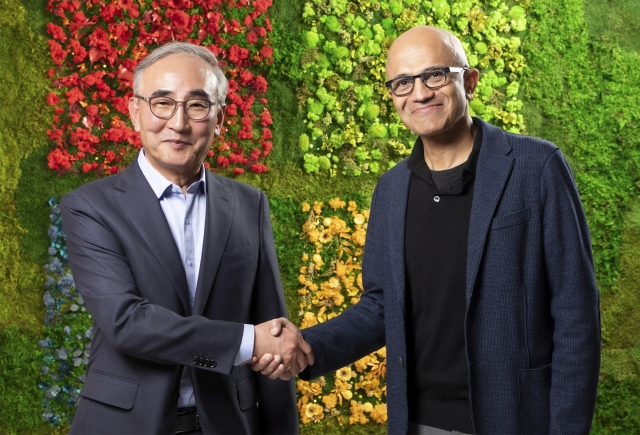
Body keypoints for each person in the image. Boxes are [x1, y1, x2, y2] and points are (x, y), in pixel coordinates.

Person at [255, 26, 601, 434]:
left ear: (468, 81)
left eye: (434, 75)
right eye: (403, 82)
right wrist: (309, 346)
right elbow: (382, 306)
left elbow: (576, 311)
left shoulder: (536, 166)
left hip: (516, 417)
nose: (419, 93)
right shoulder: (392, 188)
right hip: (417, 422)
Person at [61, 41, 311, 434]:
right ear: (135, 111)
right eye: (162, 102)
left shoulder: (249, 204)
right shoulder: (90, 207)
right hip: (125, 423)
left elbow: (272, 325)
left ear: (219, 118)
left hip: (229, 422)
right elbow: (127, 322)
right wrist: (248, 342)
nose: (178, 123)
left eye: (196, 105)